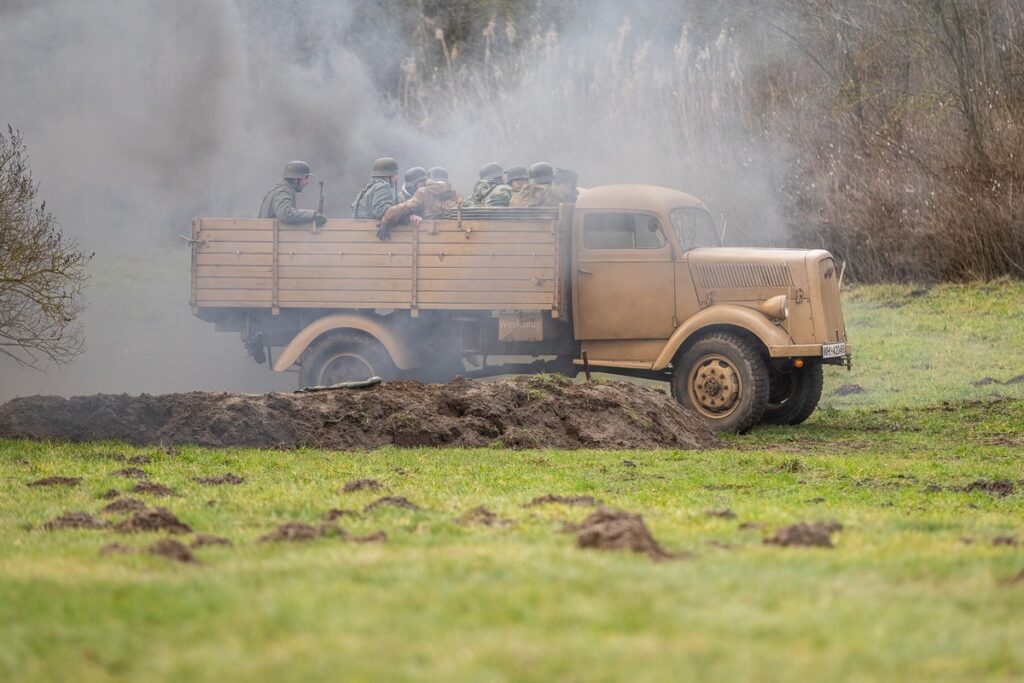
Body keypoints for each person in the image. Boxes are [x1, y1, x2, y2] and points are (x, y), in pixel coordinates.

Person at [377, 180, 459, 240]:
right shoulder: (455, 197)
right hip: (446, 237)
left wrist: (385, 219)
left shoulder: (423, 192)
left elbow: (407, 206)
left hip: (427, 236)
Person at [258, 161, 326, 228]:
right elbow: (286, 214)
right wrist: (313, 215)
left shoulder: (283, 190)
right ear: (296, 179)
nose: (307, 182)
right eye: (306, 178)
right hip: (268, 237)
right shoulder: (282, 192)